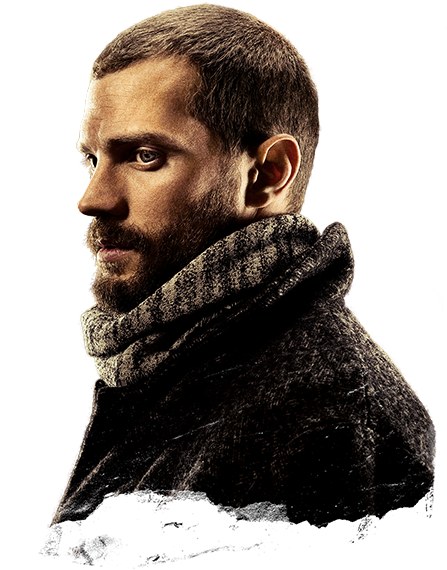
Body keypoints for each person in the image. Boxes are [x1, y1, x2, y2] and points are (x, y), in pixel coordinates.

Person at [39, 3, 436, 565]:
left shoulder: (326, 414)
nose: (93, 198)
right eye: (91, 160)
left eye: (145, 156)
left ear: (268, 174)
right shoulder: (156, 359)